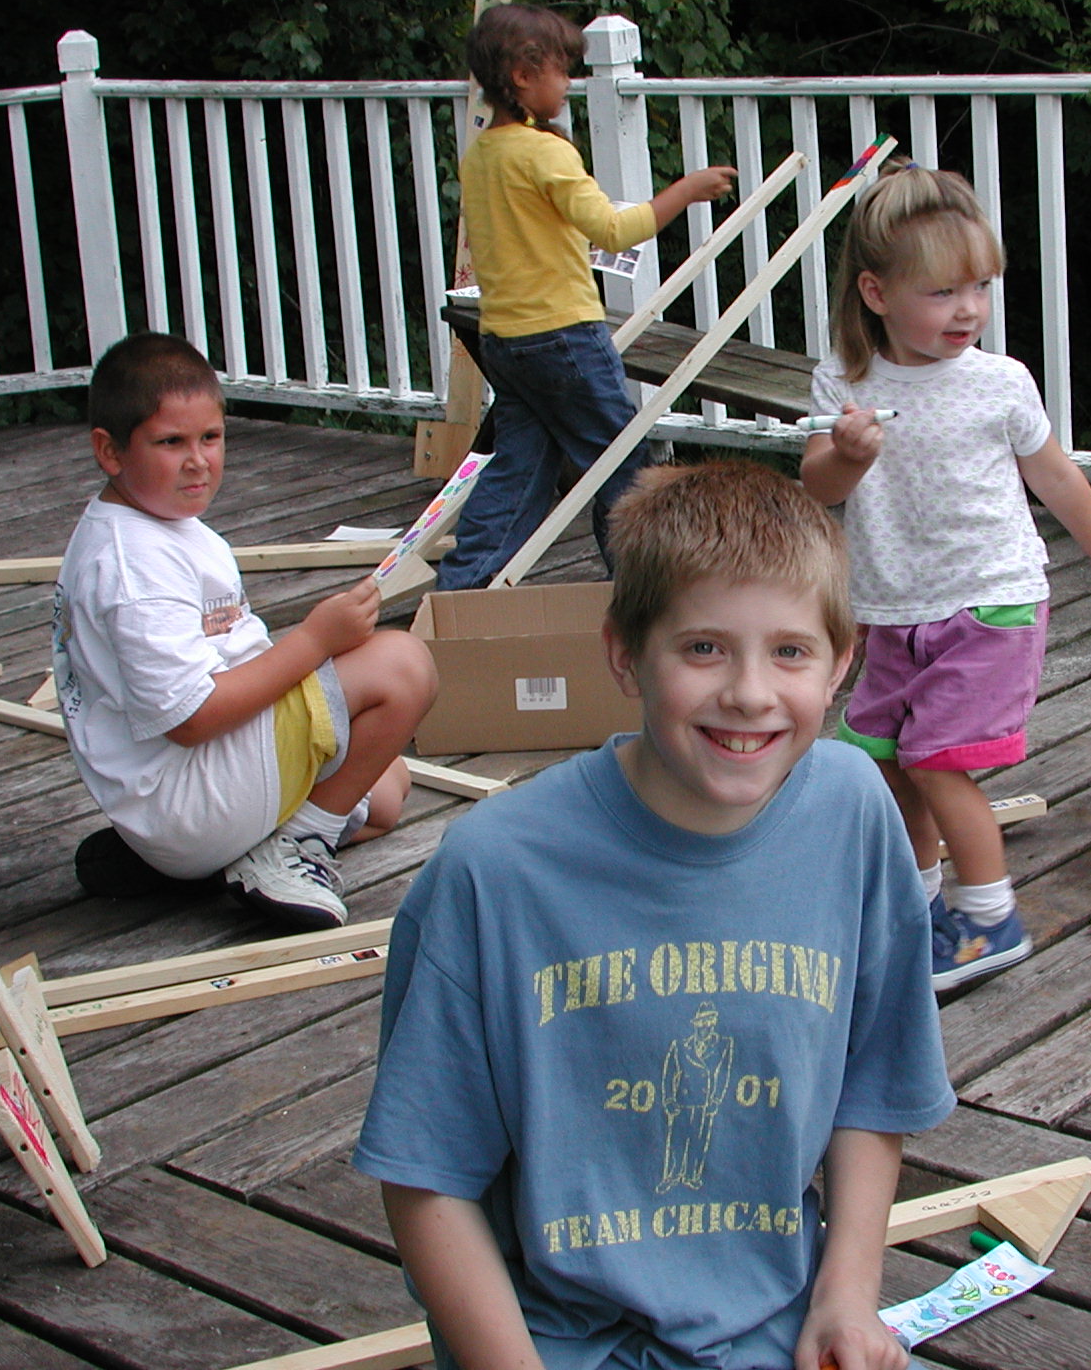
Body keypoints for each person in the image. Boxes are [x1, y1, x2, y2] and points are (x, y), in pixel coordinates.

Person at [359, 459, 953, 1370]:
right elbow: (426, 1178)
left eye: (790, 652)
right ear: (625, 653)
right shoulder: (494, 871)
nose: (749, 692)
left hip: (777, 1325)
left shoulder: (854, 815)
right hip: (554, 1341)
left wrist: (846, 1298)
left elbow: (876, 1084)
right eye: (704, 648)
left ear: (843, 662)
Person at [800, 165, 1091, 991]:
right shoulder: (845, 383)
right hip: (891, 608)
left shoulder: (1000, 381)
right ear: (877, 293)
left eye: (981, 287)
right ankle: (917, 905)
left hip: (990, 600)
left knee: (934, 759)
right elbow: (819, 488)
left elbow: (1054, 474)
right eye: (942, 292)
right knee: (885, 760)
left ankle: (990, 919)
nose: (968, 310)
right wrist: (847, 455)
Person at [54, 332, 437, 929]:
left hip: (195, 792)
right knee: (404, 665)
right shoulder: (132, 569)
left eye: (210, 437)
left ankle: (206, 863)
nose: (197, 460)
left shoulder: (168, 525)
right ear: (110, 451)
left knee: (388, 790)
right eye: (171, 442)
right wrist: (315, 641)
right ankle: (283, 851)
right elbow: (191, 719)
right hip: (188, 793)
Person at [435, 1, 737, 590]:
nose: (568, 83)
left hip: (505, 341)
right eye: (561, 71)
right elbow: (614, 231)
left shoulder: (481, 155)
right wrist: (686, 191)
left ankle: (462, 589)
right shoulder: (545, 152)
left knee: (518, 470)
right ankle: (644, 589)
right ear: (522, 76)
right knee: (622, 465)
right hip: (564, 339)